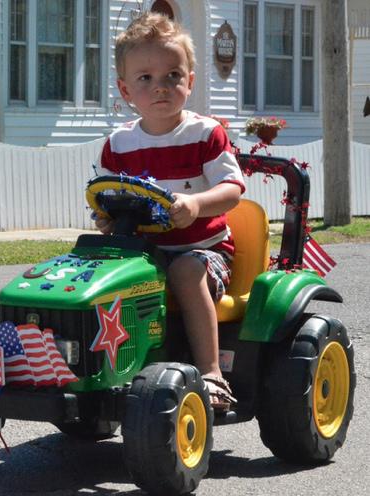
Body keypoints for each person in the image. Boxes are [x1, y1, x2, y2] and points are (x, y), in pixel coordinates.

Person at [95, 12, 245, 411]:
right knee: (93, 269)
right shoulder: (118, 144)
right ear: (126, 89)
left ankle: (212, 373)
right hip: (143, 254)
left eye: (172, 76)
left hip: (204, 252)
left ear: (190, 81)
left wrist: (195, 204)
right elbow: (108, 195)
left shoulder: (205, 134)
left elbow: (233, 189)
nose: (160, 87)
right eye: (145, 78)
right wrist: (106, 218)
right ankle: (94, 370)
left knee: (184, 270)